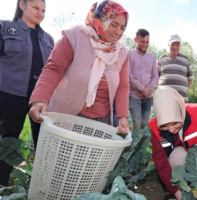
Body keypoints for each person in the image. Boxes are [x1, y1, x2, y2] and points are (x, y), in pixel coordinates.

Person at [28, 1, 130, 133]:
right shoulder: (75, 37)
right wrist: (39, 99)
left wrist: (122, 117)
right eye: (114, 24)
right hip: (66, 115)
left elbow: (123, 85)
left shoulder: (121, 52)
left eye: (122, 28)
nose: (118, 32)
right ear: (101, 20)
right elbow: (54, 69)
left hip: (100, 122)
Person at [0, 0, 53, 185]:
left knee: (44, 141)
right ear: (22, 5)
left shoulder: (48, 39)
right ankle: (2, 184)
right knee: (7, 141)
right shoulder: (5, 28)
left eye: (43, 10)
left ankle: (40, 185)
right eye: (36, 8)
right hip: (10, 95)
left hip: (39, 99)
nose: (40, 13)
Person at [148, 87, 197, 200]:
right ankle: (182, 187)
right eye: (165, 126)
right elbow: (161, 164)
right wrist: (177, 193)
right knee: (178, 155)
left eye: (174, 123)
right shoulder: (155, 129)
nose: (171, 130)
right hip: (178, 163)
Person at [128, 29, 158, 132]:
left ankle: (140, 147)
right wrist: (142, 89)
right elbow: (128, 75)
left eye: (147, 42)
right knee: (136, 124)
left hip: (148, 97)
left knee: (144, 124)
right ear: (136, 40)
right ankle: (132, 147)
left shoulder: (152, 57)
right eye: (142, 41)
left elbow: (155, 76)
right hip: (133, 96)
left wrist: (148, 90)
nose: (145, 44)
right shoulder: (129, 54)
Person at [157, 34, 193, 102]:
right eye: (173, 44)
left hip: (181, 99)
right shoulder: (162, 58)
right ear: (168, 45)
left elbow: (190, 80)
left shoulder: (186, 60)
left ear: (180, 46)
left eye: (177, 45)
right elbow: (156, 78)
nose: (175, 47)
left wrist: (182, 88)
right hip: (164, 99)